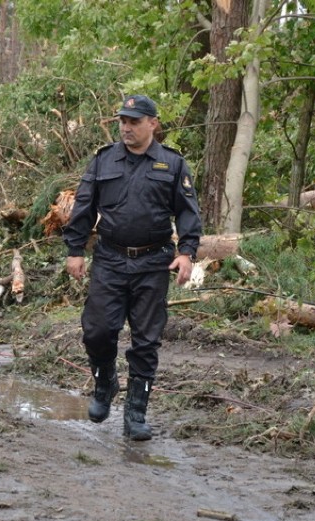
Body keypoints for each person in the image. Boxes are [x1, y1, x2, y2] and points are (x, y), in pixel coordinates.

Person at [63, 95, 202, 441]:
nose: (126, 127)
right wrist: (75, 249)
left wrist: (186, 252)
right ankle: (105, 380)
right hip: (110, 257)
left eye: (134, 121)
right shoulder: (103, 159)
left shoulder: (171, 164)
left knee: (146, 339)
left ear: (153, 124)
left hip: (153, 261)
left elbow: (187, 211)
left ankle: (136, 411)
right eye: (123, 120)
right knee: (97, 330)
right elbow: (84, 204)